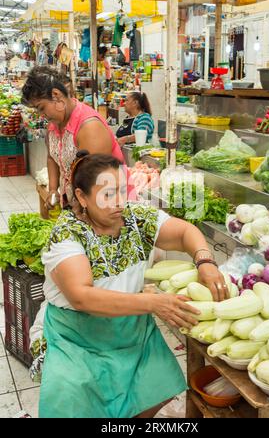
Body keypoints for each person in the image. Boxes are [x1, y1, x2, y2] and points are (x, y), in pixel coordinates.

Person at [33, 151, 228, 418]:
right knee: (79, 405)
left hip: (130, 332)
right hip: (78, 340)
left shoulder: (137, 218)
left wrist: (204, 260)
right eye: (107, 194)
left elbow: (184, 232)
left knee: (151, 391)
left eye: (123, 191)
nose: (119, 202)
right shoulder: (68, 232)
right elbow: (81, 297)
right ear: (81, 197)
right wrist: (151, 302)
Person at [21, 66, 135, 209]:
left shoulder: (89, 127)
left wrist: (77, 214)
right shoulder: (54, 124)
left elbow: (95, 179)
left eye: (41, 108)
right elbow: (52, 157)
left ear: (56, 95)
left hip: (107, 206)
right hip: (79, 203)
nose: (40, 114)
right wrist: (53, 190)